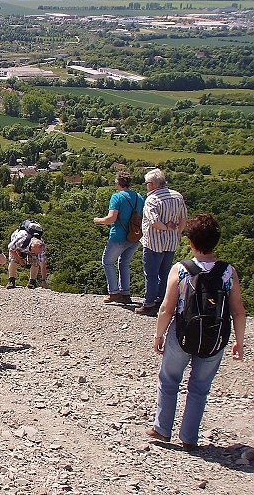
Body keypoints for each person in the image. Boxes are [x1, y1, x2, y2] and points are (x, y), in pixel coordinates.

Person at [147, 214, 245, 450]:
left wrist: (159, 335)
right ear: (216, 242)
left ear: (190, 242)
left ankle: (162, 428)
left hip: (182, 334)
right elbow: (238, 311)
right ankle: (189, 436)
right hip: (215, 337)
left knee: (169, 379)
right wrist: (239, 342)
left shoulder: (181, 270)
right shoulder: (227, 272)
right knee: (200, 387)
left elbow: (166, 309)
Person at [137, 168, 188, 316]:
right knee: (165, 273)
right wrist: (176, 232)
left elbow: (154, 222)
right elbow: (183, 219)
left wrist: (165, 227)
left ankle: (149, 304)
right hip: (171, 242)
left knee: (151, 274)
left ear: (152, 184)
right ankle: (162, 300)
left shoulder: (152, 199)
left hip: (154, 242)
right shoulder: (177, 196)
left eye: (147, 183)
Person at [93, 171, 145, 305]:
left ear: (118, 183)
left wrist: (98, 220)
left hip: (118, 236)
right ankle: (125, 294)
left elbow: (111, 219)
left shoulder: (117, 197)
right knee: (124, 263)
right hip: (134, 236)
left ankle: (114, 292)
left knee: (108, 262)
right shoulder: (139, 197)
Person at [6, 225, 48, 289]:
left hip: (29, 246)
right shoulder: (21, 240)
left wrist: (44, 280)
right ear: (31, 247)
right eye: (35, 252)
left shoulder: (41, 247)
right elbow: (11, 249)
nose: (36, 254)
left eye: (38, 253)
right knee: (13, 260)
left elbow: (43, 264)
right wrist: (19, 259)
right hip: (17, 245)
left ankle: (32, 282)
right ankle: (11, 281)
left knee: (35, 262)